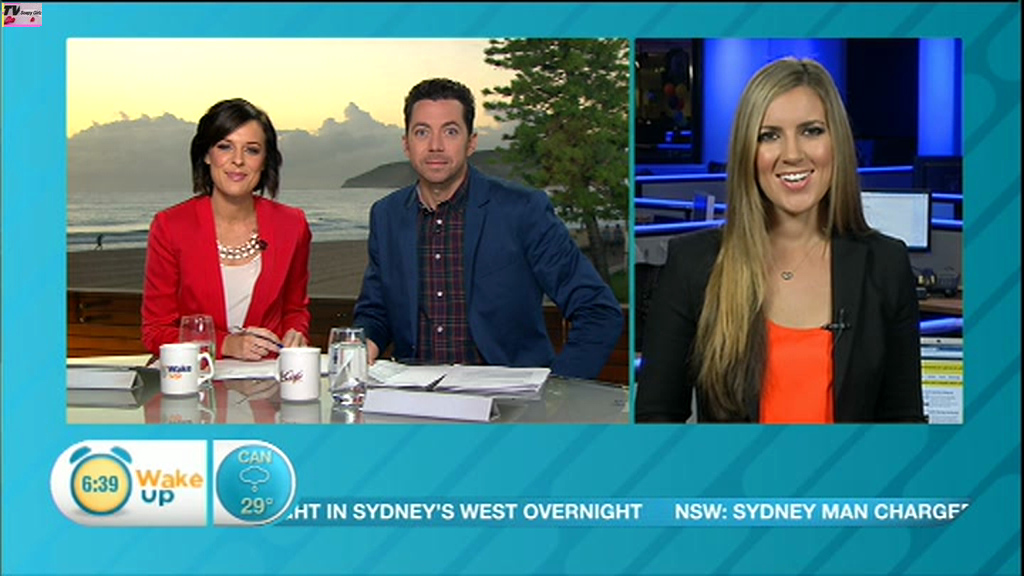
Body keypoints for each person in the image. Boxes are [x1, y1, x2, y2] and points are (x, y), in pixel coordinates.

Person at [635, 57, 926, 423]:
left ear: (836, 143)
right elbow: (657, 420)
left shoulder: (886, 265)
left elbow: (904, 424)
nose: (792, 154)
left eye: (811, 131)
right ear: (747, 152)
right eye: (769, 135)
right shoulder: (694, 264)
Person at [353, 78, 623, 380]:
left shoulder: (522, 210)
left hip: (507, 400)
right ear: (406, 144)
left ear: (471, 143)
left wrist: (560, 391)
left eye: (450, 131)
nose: (435, 146)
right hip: (413, 396)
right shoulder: (386, 215)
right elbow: (375, 312)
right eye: (422, 132)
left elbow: (599, 311)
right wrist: (365, 342)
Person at [141, 98, 311, 360]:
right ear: (206, 155)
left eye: (252, 150)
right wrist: (225, 344)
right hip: (196, 375)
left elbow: (295, 310)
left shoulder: (293, 224)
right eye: (225, 147)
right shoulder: (170, 226)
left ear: (265, 160)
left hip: (268, 375)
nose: (238, 160)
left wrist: (295, 334)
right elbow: (155, 331)